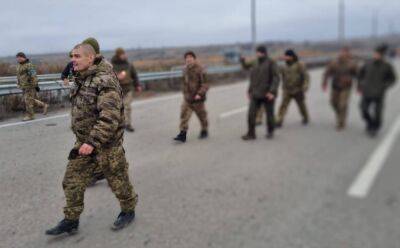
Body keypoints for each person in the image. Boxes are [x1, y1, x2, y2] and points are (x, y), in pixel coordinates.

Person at [46, 43, 138, 235]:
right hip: (84, 143)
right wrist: (84, 141)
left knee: (118, 181)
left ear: (91, 58)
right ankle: (71, 220)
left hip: (106, 145)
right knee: (71, 180)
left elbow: (109, 117)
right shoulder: (82, 78)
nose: (73, 60)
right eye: (72, 56)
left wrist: (92, 142)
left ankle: (128, 210)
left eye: (77, 56)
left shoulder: (104, 81)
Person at [240, 45, 280, 140]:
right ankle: (251, 134)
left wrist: (272, 92)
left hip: (267, 94)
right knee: (251, 114)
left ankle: (270, 131)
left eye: (258, 52)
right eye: (257, 52)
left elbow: (276, 78)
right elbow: (248, 69)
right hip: (255, 93)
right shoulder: (255, 62)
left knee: (269, 115)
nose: (257, 54)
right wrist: (242, 60)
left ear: (263, 53)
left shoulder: (271, 62)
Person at [358, 44, 397, 137]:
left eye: (378, 54)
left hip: (379, 93)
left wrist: (384, 86)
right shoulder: (367, 63)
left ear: (382, 55)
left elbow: (393, 79)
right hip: (367, 92)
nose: (376, 55)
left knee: (378, 113)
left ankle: (374, 128)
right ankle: (370, 123)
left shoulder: (387, 66)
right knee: (363, 110)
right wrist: (361, 84)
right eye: (375, 53)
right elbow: (360, 74)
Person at [173, 51, 209, 143]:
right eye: (186, 58)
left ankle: (204, 130)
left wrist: (199, 94)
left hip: (198, 99)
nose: (188, 59)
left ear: (194, 59)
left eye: (190, 57)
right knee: (184, 115)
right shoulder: (184, 70)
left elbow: (205, 84)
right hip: (188, 98)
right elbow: (184, 83)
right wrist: (184, 92)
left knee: (202, 116)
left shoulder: (200, 69)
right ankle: (182, 134)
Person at [322, 47, 358, 131]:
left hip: (346, 87)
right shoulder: (334, 62)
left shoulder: (352, 63)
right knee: (333, 103)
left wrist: (359, 86)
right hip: (335, 86)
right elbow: (327, 72)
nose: (343, 54)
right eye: (342, 52)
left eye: (345, 53)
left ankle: (341, 122)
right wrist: (324, 83)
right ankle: (340, 115)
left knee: (342, 105)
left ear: (348, 54)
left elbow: (358, 75)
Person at [275, 49, 310, 127]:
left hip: (298, 89)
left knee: (301, 106)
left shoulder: (299, 65)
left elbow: (306, 76)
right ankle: (279, 120)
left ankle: (305, 117)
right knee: (283, 106)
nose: (285, 57)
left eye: (287, 56)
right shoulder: (283, 66)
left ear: (292, 57)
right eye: (285, 56)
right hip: (287, 90)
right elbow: (276, 73)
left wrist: (305, 86)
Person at [111, 47, 142, 132]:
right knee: (117, 108)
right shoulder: (112, 65)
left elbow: (134, 75)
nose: (124, 56)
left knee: (127, 106)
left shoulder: (129, 65)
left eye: (124, 54)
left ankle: (128, 124)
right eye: (122, 54)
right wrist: (117, 77)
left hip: (128, 88)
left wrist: (137, 85)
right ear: (118, 55)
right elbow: (108, 77)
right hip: (116, 89)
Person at [16, 52, 48, 121]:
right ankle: (44, 105)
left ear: (23, 57)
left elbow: (33, 76)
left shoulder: (29, 65)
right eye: (17, 58)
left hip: (30, 86)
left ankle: (30, 116)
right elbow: (18, 76)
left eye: (18, 58)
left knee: (28, 101)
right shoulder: (19, 66)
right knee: (29, 100)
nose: (17, 60)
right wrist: (18, 83)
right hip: (23, 86)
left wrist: (35, 85)